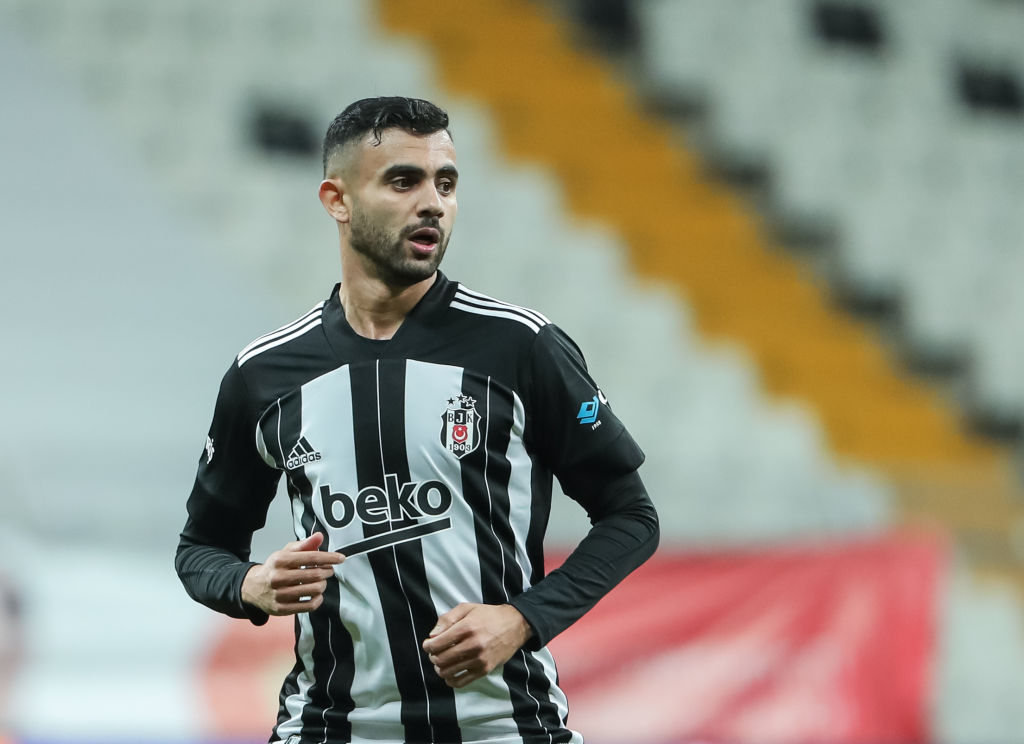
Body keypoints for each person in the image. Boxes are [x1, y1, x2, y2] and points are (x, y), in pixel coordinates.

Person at [176, 96, 659, 744]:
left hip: (502, 727)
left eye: (447, 182)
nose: (432, 201)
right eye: (403, 180)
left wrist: (521, 618)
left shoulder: (520, 346)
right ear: (336, 199)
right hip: (328, 729)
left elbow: (632, 518)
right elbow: (200, 549)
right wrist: (249, 583)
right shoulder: (263, 375)